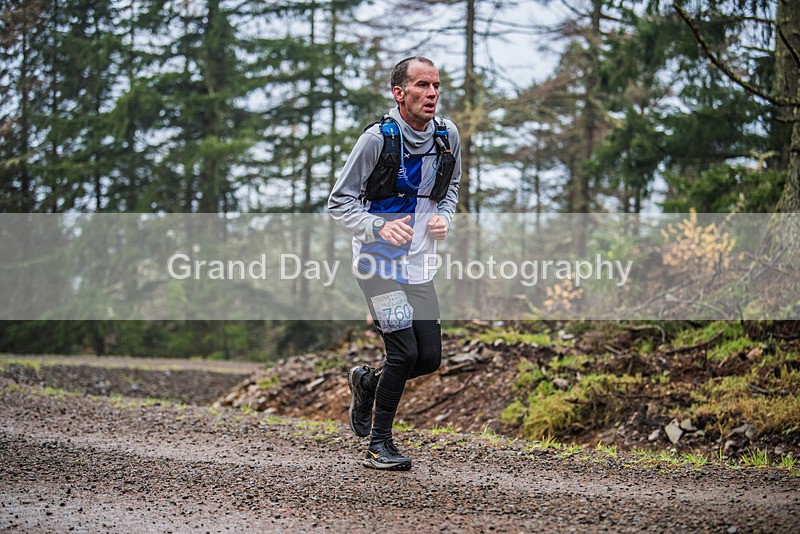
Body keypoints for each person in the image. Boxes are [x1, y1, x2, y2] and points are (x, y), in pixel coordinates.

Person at [328, 56, 461, 471]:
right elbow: (339, 202)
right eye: (422, 85)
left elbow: (451, 189)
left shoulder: (447, 136)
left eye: (436, 85)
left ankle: (367, 382)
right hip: (378, 264)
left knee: (428, 358)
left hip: (419, 264)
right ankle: (378, 445)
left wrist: (445, 219)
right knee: (403, 353)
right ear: (399, 93)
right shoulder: (376, 139)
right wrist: (377, 227)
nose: (432, 93)